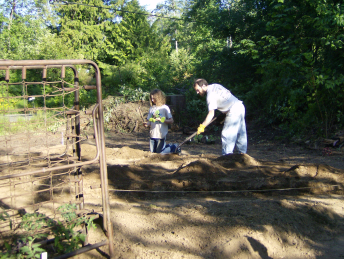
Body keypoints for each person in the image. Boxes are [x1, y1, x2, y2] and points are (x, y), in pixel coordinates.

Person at [193, 78, 247, 155]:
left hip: (233, 110)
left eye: (198, 90)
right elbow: (228, 93)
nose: (197, 92)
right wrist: (224, 111)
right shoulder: (215, 85)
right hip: (240, 106)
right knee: (241, 133)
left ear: (203, 85)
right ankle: (243, 155)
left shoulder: (210, 95)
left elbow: (211, 114)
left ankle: (226, 157)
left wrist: (202, 126)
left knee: (227, 134)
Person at [143, 89, 181, 154]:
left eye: (153, 98)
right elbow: (150, 121)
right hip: (153, 134)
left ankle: (174, 147)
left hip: (161, 134)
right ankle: (167, 146)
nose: (152, 100)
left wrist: (161, 120)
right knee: (153, 152)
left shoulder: (165, 108)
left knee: (160, 153)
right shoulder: (152, 108)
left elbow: (171, 121)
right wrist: (147, 124)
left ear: (158, 98)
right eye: (151, 98)